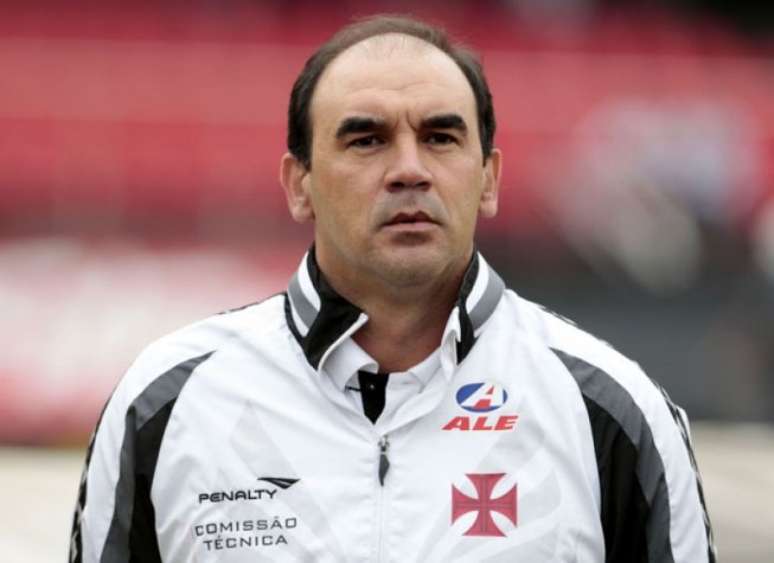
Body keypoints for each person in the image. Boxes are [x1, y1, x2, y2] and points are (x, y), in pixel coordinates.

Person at [70, 15, 716, 563]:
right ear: (299, 184)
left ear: (487, 178)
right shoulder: (169, 402)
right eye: (366, 138)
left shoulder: (610, 409)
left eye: (440, 136)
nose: (409, 169)